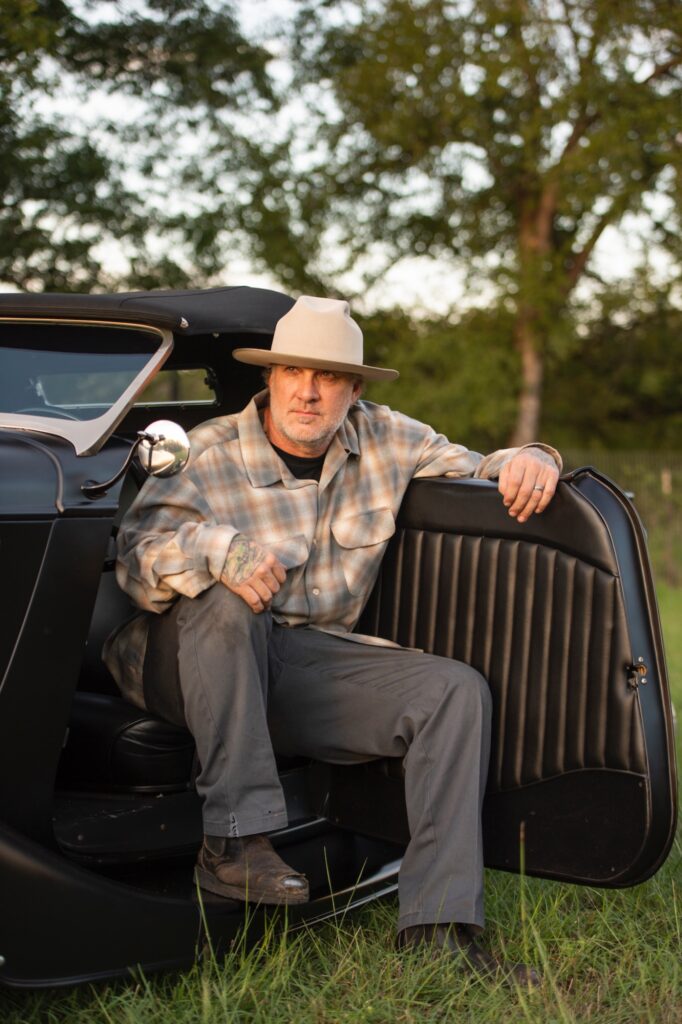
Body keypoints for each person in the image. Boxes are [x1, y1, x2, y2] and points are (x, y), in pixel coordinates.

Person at [105, 295, 561, 985]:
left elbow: (479, 465)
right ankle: (234, 842)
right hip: (180, 654)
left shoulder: (389, 438)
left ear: (354, 388)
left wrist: (533, 456)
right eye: (292, 371)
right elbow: (135, 562)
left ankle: (439, 932)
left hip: (295, 661)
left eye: (327, 377)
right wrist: (214, 548)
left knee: (452, 693)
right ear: (272, 376)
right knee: (229, 604)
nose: (308, 391)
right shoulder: (209, 450)